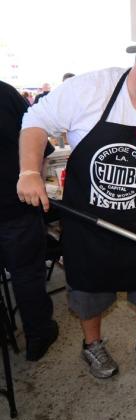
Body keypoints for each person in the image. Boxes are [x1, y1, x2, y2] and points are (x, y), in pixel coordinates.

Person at [17, 29, 136, 380]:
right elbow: (36, 120)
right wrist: (29, 170)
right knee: (89, 291)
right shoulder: (91, 90)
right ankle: (92, 345)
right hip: (91, 227)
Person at [0, 80, 59, 361]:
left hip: (15, 206)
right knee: (26, 275)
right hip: (16, 208)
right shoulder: (4, 93)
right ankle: (39, 334)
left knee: (24, 275)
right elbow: (42, 150)